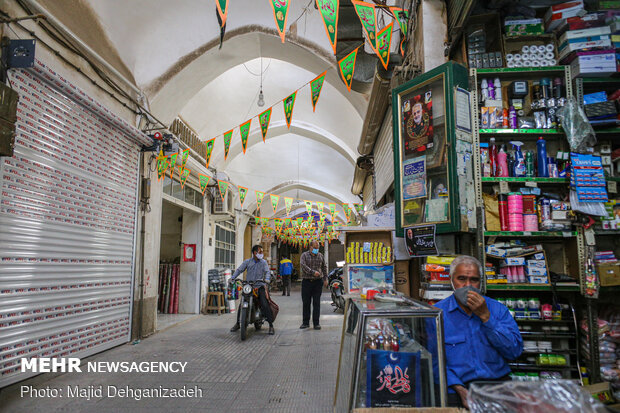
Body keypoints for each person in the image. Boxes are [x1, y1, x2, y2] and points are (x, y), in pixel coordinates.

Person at [434, 255, 522, 408]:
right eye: (461, 279)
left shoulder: (497, 310)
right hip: (456, 387)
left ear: (481, 282)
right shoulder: (438, 313)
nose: (468, 285)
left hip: (495, 386)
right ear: (451, 280)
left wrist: (486, 317)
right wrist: (459, 389)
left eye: (474, 280)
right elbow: (433, 361)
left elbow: (514, 351)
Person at [229, 245, 275, 335]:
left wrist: (267, 279)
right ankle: (238, 323)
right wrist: (233, 278)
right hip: (249, 286)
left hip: (259, 286)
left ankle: (271, 325)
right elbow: (239, 270)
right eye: (260, 252)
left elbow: (267, 272)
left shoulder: (264, 263)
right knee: (242, 303)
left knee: (264, 304)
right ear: (255, 253)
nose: (261, 254)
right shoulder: (247, 262)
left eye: (262, 252)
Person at [299, 241, 327, 330]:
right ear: (310, 247)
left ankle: (316, 323)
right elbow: (302, 265)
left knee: (316, 303)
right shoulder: (304, 255)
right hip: (307, 282)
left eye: (317, 247)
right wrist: (312, 272)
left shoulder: (320, 256)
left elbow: (324, 267)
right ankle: (305, 322)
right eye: (315, 247)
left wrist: (325, 278)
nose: (316, 249)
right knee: (306, 303)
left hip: (317, 283)